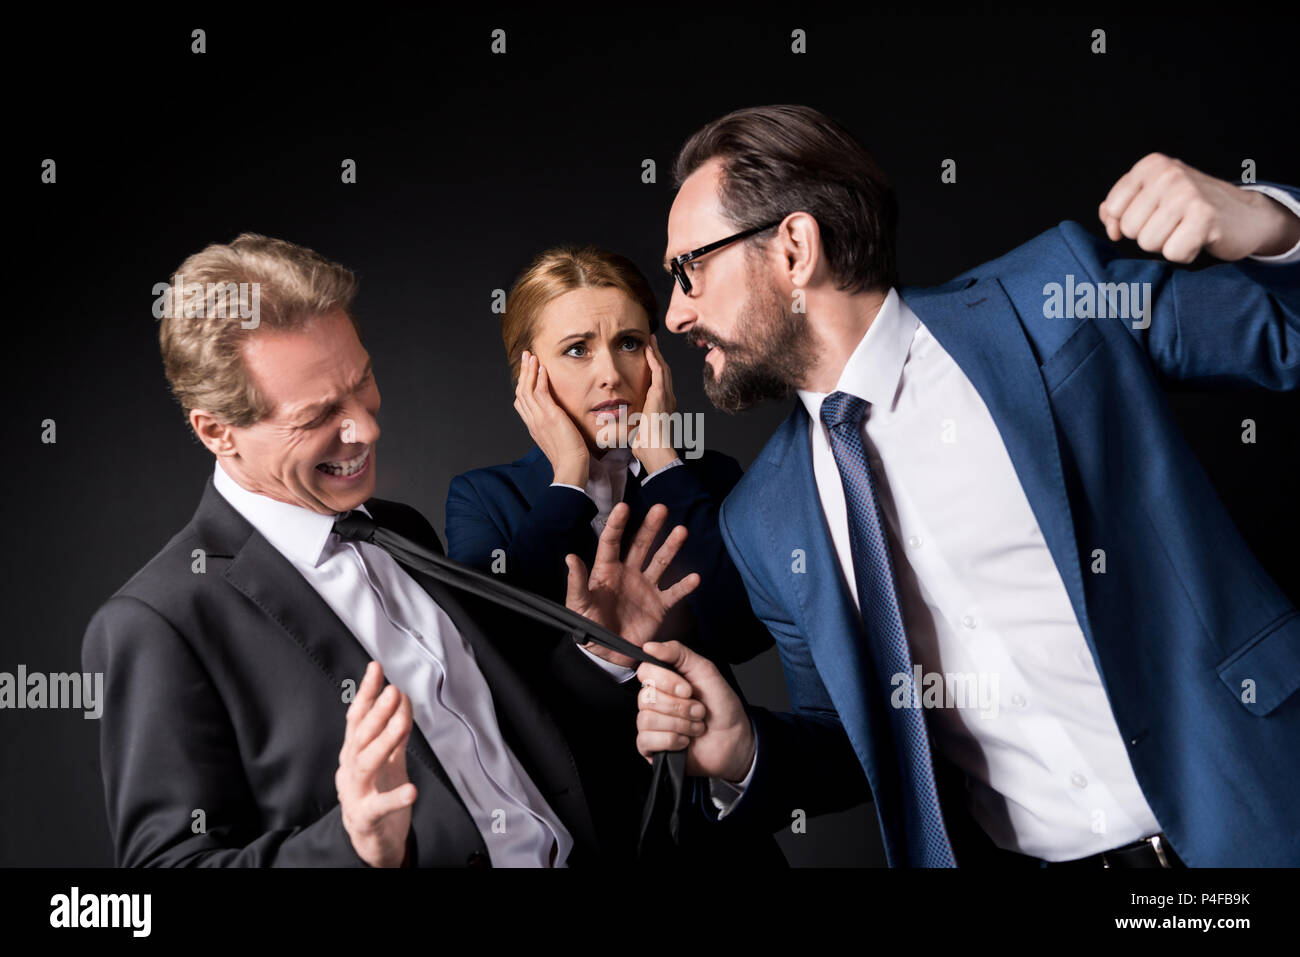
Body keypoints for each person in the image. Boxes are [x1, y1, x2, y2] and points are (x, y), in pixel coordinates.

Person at [632, 104, 1300, 867]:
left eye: (690, 269)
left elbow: (1284, 335)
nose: (677, 313)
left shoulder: (1051, 302)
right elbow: (853, 741)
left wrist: (1270, 224)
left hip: (1261, 812)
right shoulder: (763, 520)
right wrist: (746, 746)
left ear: (793, 249)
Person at [81, 233, 702, 867]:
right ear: (217, 431)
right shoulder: (157, 623)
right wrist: (352, 845)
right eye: (320, 413)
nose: (367, 428)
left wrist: (599, 657)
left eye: (363, 381)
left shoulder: (397, 528)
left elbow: (513, 736)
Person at [445, 245, 771, 669]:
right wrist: (568, 475)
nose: (612, 375)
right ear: (528, 373)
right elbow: (496, 648)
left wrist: (661, 459)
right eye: (578, 349)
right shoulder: (481, 497)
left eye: (629, 344)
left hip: (705, 734)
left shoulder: (709, 477)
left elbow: (743, 636)